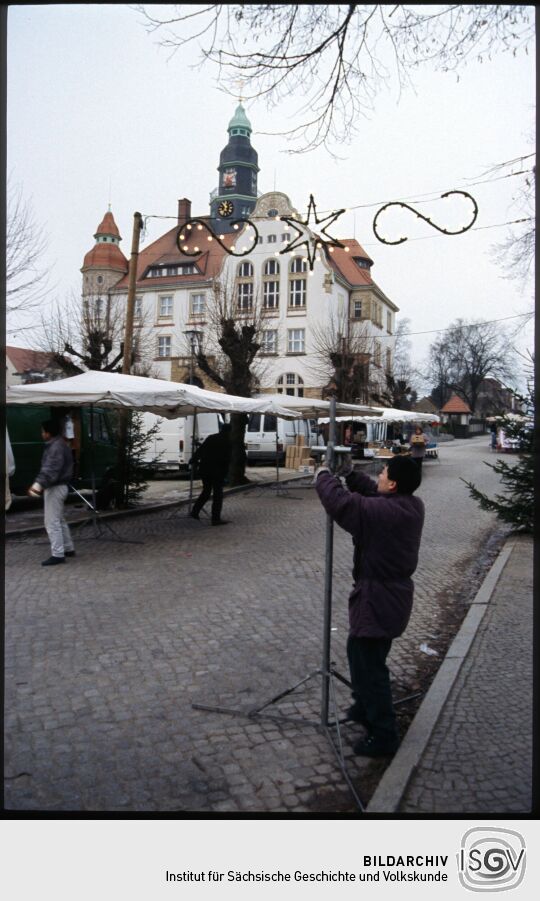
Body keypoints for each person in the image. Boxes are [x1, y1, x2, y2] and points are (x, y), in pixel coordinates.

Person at [314, 455, 424, 757]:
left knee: (370, 666)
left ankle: (383, 734)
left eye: (383, 472)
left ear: (393, 483)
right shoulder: (410, 504)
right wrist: (351, 473)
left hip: (378, 598)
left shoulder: (386, 512)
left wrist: (323, 475)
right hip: (389, 596)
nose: (379, 475)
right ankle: (364, 706)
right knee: (360, 653)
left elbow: (345, 506)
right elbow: (373, 495)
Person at [28, 419, 76, 566]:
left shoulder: (55, 447)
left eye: (42, 431)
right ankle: (68, 548)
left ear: (48, 433)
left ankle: (58, 553)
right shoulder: (60, 444)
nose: (41, 434)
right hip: (61, 486)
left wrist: (38, 485)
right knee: (59, 519)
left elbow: (51, 469)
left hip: (55, 487)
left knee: (51, 521)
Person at [189, 423, 232, 526]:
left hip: (205, 469)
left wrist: (193, 460)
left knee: (206, 491)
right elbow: (227, 459)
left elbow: (201, 450)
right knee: (218, 495)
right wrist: (226, 473)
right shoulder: (228, 442)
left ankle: (195, 511)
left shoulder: (211, 438)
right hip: (217, 471)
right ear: (229, 431)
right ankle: (215, 519)